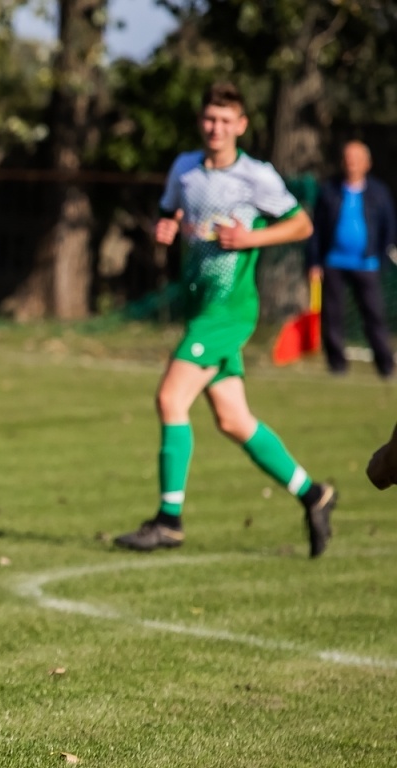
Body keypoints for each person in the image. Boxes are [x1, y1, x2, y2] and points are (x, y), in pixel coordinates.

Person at [115, 82, 336, 557]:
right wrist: (167, 227)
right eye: (209, 119)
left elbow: (302, 224)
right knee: (234, 420)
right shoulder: (185, 169)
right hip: (200, 304)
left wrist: (251, 239)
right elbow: (167, 213)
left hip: (229, 309)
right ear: (202, 123)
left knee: (170, 397)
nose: (216, 128)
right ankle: (313, 494)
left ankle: (169, 520)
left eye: (225, 120)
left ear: (241, 125)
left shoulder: (255, 176)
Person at [308, 140, 395, 378]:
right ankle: (337, 366)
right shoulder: (329, 190)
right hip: (334, 262)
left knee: (374, 315)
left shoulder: (379, 192)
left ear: (367, 163)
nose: (352, 164)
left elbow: (389, 226)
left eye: (356, 159)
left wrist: (382, 254)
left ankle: (385, 365)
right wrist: (314, 261)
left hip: (367, 264)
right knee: (332, 316)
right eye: (348, 159)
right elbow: (316, 229)